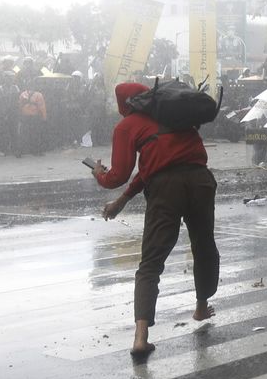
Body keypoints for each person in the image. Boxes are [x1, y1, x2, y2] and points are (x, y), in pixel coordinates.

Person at [92, 82, 220, 358]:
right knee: (203, 245)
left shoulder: (127, 126)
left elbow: (120, 175)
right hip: (200, 180)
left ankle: (141, 336)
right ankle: (201, 306)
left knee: (150, 261)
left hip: (166, 189)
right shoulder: (172, 115)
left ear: (121, 103)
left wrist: (100, 175)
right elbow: (155, 163)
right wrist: (123, 201)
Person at [17, 81, 47, 156]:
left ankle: (19, 151)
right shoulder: (38, 95)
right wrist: (44, 117)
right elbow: (42, 107)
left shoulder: (23, 94)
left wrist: (20, 115)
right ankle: (36, 151)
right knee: (36, 134)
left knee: (23, 134)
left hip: (25, 117)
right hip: (34, 117)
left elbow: (19, 106)